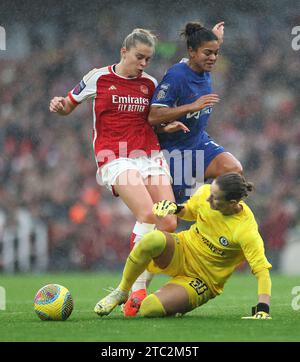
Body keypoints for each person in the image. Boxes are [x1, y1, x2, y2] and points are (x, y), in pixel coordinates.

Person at [49, 29, 177, 317]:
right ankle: (135, 290)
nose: (143, 63)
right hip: (115, 156)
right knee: (147, 214)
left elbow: (152, 120)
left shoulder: (150, 84)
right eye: (139, 57)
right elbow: (68, 105)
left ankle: (135, 288)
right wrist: (58, 106)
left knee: (168, 222)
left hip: (150, 155)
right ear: (123, 52)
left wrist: (167, 126)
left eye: (148, 59)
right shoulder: (98, 77)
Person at [94, 172, 272, 320]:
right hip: (183, 249)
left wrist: (263, 308)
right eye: (211, 192)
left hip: (202, 280)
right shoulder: (205, 194)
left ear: (232, 204)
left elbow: (261, 270)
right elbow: (190, 210)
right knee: (152, 239)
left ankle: (175, 302)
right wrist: (175, 208)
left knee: (149, 309)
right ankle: (122, 291)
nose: (209, 199)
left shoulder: (245, 230)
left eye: (215, 198)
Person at [148, 22, 243, 204]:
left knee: (233, 170)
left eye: (216, 53)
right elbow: (153, 116)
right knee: (174, 213)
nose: (213, 58)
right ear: (191, 52)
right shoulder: (177, 76)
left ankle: (211, 218)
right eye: (208, 53)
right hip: (175, 150)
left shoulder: (203, 65)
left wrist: (216, 37)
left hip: (198, 142)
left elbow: (208, 46)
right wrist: (190, 107)